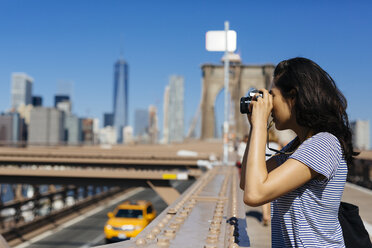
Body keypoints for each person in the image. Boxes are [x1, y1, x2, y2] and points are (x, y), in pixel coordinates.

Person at [239, 57, 358, 247]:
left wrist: (262, 124)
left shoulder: (324, 144)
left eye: (272, 95)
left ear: (293, 97)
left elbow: (255, 195)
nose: (269, 104)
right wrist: (255, 126)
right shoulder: (294, 148)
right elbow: (247, 182)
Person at [262, 128, 281, 226]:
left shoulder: (263, 146)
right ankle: (271, 215)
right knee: (273, 195)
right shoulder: (277, 146)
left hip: (264, 170)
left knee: (265, 196)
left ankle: (265, 215)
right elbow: (279, 159)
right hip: (275, 171)